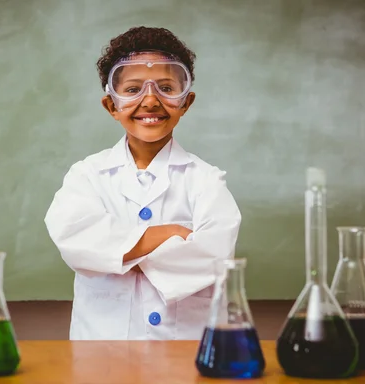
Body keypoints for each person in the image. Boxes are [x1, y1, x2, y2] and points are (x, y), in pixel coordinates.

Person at [44, 26, 241, 340]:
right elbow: (74, 239)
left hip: (185, 349)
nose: (150, 100)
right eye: (133, 89)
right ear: (112, 106)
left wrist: (117, 254)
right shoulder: (87, 175)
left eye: (166, 87)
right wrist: (170, 234)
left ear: (185, 102)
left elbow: (215, 256)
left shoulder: (207, 180)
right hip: (100, 350)